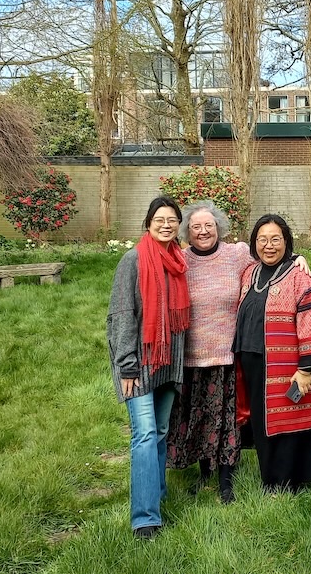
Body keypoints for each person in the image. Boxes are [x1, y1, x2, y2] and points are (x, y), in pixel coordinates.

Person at [166, 201, 310, 504]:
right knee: (199, 416)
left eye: (209, 225)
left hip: (228, 355)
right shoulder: (179, 260)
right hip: (192, 356)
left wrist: (299, 259)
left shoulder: (235, 254)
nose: (203, 231)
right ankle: (205, 473)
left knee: (226, 418)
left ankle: (226, 478)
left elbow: (269, 257)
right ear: (186, 232)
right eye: (196, 227)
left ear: (219, 228)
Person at [106, 196, 189, 540]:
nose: (166, 224)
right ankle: (145, 518)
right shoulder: (133, 260)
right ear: (148, 222)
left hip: (168, 365)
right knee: (142, 436)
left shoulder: (179, 261)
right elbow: (122, 315)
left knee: (159, 433)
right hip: (139, 364)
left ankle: (155, 493)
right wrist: (126, 367)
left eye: (172, 219)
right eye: (160, 219)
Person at [234, 214, 311, 492]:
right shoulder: (250, 273)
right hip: (250, 359)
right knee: (261, 423)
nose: (268, 246)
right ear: (254, 243)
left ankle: (286, 481)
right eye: (262, 240)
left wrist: (307, 367)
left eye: (276, 239)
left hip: (284, 362)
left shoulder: (299, 278)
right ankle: (269, 477)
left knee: (286, 421)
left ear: (286, 242)